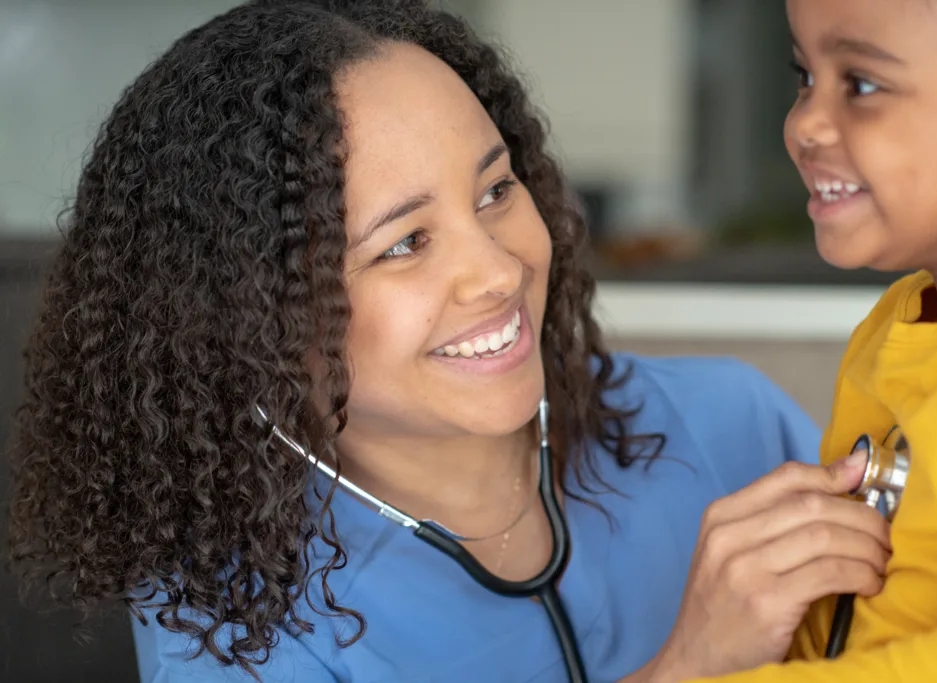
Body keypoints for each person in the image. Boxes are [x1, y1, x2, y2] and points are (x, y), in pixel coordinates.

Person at [4, 2, 891, 682]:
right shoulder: (229, 617)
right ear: (251, 315)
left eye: (496, 191)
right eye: (404, 243)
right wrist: (686, 664)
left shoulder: (723, 423)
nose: (498, 272)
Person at [684, 0, 937, 681]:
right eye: (804, 75)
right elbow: (840, 617)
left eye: (862, 85)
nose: (804, 122)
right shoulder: (898, 318)